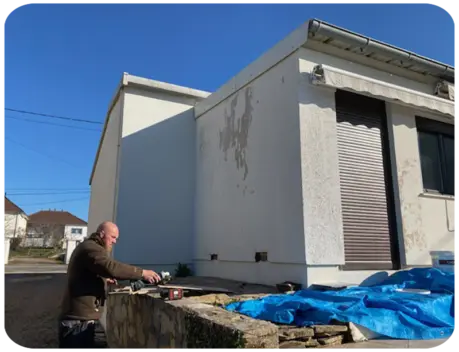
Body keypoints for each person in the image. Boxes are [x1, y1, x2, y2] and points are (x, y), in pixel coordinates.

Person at [58, 221, 161, 351]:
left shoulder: (90, 247)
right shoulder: (90, 248)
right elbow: (111, 267)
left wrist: (104, 280)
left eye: (116, 238)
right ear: (101, 234)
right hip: (77, 322)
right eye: (112, 237)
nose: (115, 241)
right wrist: (142, 273)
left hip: (84, 320)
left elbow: (91, 272)